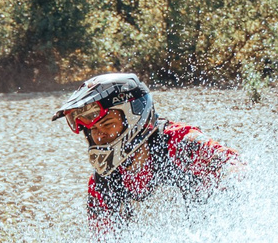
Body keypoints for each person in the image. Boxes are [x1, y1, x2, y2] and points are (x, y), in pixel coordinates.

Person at [50, 72, 238, 232]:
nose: (99, 137)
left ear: (134, 118)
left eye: (107, 125)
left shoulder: (179, 142)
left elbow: (232, 164)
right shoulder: (102, 184)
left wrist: (227, 192)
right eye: (93, 131)